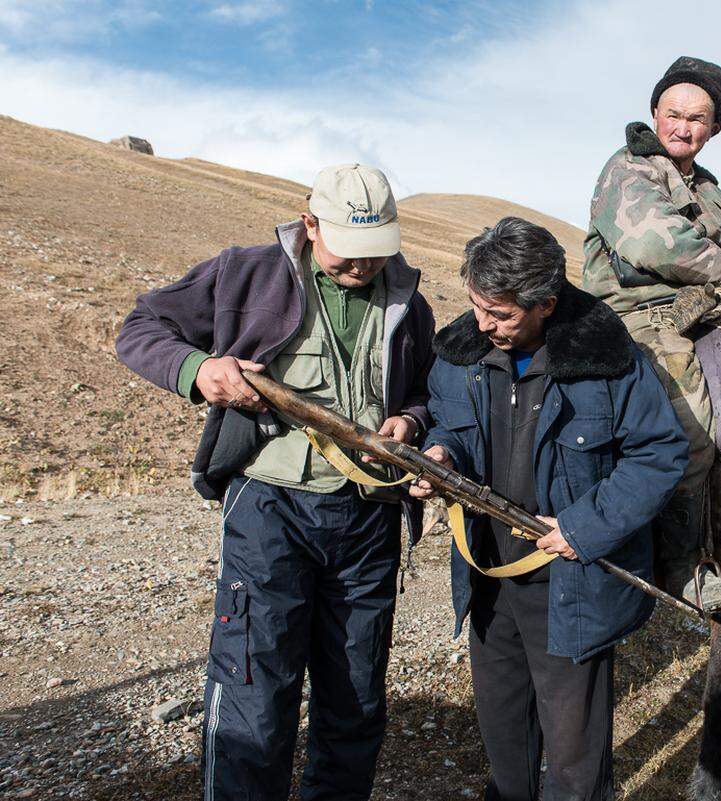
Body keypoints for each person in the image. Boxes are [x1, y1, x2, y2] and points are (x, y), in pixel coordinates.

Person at [115, 164, 435, 801]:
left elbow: (428, 392)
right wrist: (201, 370)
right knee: (254, 693)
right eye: (351, 250)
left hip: (368, 519)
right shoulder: (246, 274)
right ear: (311, 224)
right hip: (271, 510)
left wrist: (412, 419)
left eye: (378, 251)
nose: (365, 265)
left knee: (356, 699)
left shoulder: (410, 301)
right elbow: (140, 329)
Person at [409, 216, 687, 800]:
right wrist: (442, 455)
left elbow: (659, 453)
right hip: (489, 572)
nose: (484, 326)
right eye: (478, 307)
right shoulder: (461, 352)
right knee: (504, 729)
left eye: (502, 315)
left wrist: (583, 528)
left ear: (547, 305)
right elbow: (448, 423)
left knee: (573, 752)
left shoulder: (611, 362)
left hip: (572, 581)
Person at [581, 56, 721, 612]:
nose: (683, 127)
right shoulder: (629, 169)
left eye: (698, 119)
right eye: (674, 113)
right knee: (693, 433)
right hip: (638, 320)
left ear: (715, 128)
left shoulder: (707, 189)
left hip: (703, 315)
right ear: (655, 113)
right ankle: (679, 567)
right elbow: (655, 244)